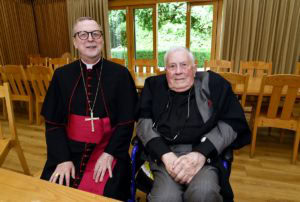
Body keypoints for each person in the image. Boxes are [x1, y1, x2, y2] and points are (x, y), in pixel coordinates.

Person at [40, 17, 138, 201]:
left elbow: (126, 123)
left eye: (95, 33)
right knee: (51, 191)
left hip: (109, 148)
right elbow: (53, 123)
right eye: (83, 35)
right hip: (69, 151)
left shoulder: (120, 74)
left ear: (102, 39)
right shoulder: (61, 76)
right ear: (75, 42)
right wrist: (62, 158)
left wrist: (110, 153)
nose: (90, 39)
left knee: (110, 191)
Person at [136, 47, 251, 202]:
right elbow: (144, 123)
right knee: (165, 198)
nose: (178, 71)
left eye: (184, 65)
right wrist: (165, 155)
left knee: (204, 193)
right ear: (165, 70)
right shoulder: (154, 86)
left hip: (203, 156)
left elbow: (232, 123)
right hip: (165, 156)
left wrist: (201, 153)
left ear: (194, 68)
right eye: (172, 66)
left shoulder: (214, 84)